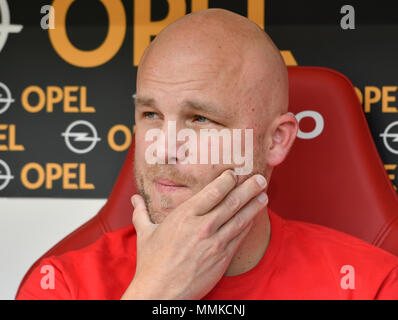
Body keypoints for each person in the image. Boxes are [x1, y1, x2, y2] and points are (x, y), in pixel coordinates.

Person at [16, 8, 398, 300]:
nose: (163, 149)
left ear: (276, 140)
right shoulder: (63, 285)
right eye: (151, 114)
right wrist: (154, 293)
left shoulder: (371, 285)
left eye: (199, 118)